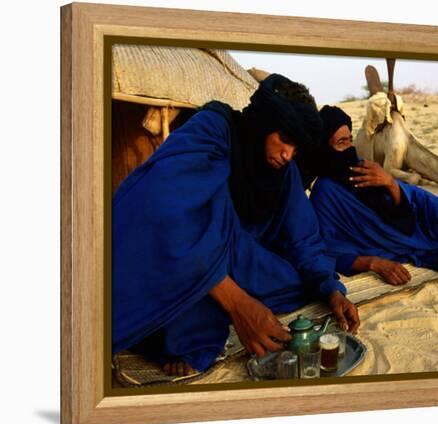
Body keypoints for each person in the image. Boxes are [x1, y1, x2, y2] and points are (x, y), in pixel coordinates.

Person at [112, 76, 359, 377]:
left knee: (299, 283)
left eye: (297, 149)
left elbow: (304, 237)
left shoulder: (285, 171)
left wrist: (331, 288)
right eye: (285, 139)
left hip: (238, 259)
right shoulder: (214, 130)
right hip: (185, 252)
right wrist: (238, 303)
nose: (287, 155)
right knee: (184, 312)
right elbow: (160, 209)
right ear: (265, 122)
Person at [309, 105, 438, 286]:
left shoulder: (363, 166)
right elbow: (327, 249)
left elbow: (406, 205)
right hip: (404, 242)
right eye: (341, 143)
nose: (349, 148)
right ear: (325, 147)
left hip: (421, 215)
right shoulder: (325, 193)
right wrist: (374, 263)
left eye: (350, 140)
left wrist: (389, 183)